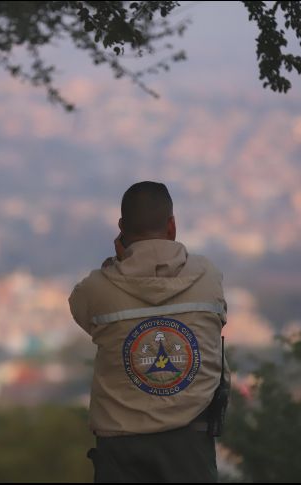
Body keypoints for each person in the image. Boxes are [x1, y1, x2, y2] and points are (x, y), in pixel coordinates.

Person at [68, 181, 229, 483]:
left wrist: (117, 264)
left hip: (121, 445)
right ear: (172, 225)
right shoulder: (209, 278)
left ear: (121, 230)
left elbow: (82, 313)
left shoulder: (97, 289)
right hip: (190, 441)